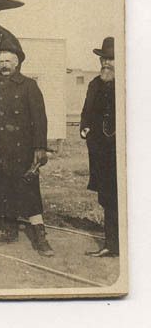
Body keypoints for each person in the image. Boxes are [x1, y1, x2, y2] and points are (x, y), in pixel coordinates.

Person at [0, 37, 54, 257]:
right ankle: (10, 232)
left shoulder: (29, 86)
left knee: (29, 192)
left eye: (8, 61)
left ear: (17, 62)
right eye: (1, 61)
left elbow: (40, 119)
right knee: (4, 190)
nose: (4, 65)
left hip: (23, 149)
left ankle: (40, 237)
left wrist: (40, 148)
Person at [81, 37, 118, 257]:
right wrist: (84, 127)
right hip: (101, 154)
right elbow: (86, 112)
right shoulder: (94, 84)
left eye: (110, 59)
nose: (105, 63)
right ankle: (111, 245)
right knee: (107, 198)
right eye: (103, 58)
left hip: (123, 153)